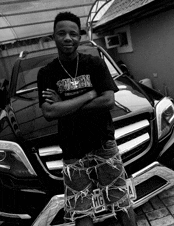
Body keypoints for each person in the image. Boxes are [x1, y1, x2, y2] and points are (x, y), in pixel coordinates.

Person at [37, 12, 137, 226]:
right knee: (80, 209)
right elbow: (50, 113)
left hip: (103, 142)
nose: (67, 38)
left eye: (73, 33)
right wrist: (90, 94)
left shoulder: (94, 63)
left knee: (120, 199)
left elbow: (108, 101)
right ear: (53, 36)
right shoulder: (47, 73)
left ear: (80, 37)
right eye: (61, 33)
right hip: (72, 148)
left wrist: (65, 104)